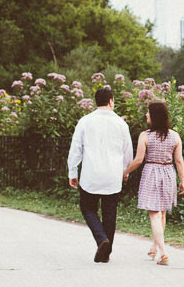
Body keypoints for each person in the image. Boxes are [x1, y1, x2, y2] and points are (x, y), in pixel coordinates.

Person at [67, 85, 133, 263]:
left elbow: (76, 149)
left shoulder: (85, 121)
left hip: (91, 174)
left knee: (88, 208)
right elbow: (128, 151)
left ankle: (101, 239)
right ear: (111, 101)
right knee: (110, 212)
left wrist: (72, 171)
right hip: (113, 175)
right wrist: (125, 171)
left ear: (96, 102)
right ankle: (106, 252)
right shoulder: (121, 123)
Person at [123, 101, 184, 266]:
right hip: (168, 172)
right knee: (162, 214)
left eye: (148, 113)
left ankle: (164, 253)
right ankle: (154, 247)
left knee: (154, 214)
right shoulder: (175, 136)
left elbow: (138, 160)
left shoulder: (145, 135)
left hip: (152, 172)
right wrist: (182, 181)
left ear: (154, 116)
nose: (146, 115)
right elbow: (178, 160)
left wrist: (125, 172)